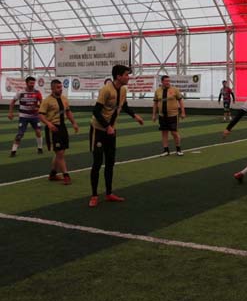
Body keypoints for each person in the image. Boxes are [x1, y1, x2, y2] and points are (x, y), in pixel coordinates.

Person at [88, 65, 144, 208]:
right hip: (99, 130)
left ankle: (109, 193)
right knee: (97, 163)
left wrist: (135, 116)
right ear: (118, 76)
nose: (128, 77)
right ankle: (94, 195)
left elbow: (124, 105)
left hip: (111, 131)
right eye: (126, 75)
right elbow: (96, 111)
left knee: (110, 163)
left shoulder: (123, 90)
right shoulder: (106, 90)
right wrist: (107, 127)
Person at [38, 79, 79, 185]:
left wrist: (74, 123)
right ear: (52, 88)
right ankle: (66, 175)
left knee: (60, 153)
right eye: (58, 87)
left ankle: (53, 174)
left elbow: (68, 112)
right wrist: (49, 124)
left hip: (62, 127)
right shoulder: (47, 101)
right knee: (59, 153)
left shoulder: (64, 99)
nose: (60, 89)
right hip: (53, 128)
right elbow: (41, 115)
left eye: (61, 87)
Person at [8, 76, 43, 157]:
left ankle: (40, 148)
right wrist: (10, 113)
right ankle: (13, 151)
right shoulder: (21, 92)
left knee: (38, 131)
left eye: (33, 83)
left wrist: (39, 108)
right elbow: (13, 102)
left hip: (34, 116)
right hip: (23, 117)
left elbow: (42, 103)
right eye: (31, 83)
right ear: (26, 83)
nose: (32, 84)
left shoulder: (37, 92)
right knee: (20, 134)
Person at [152, 75, 186, 156]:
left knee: (174, 132)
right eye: (166, 81)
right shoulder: (157, 91)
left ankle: (178, 149)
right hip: (162, 115)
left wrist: (183, 112)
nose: (168, 82)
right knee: (164, 132)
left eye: (168, 81)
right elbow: (155, 103)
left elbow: (180, 101)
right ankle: (166, 150)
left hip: (173, 115)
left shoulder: (175, 90)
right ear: (162, 81)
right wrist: (154, 114)